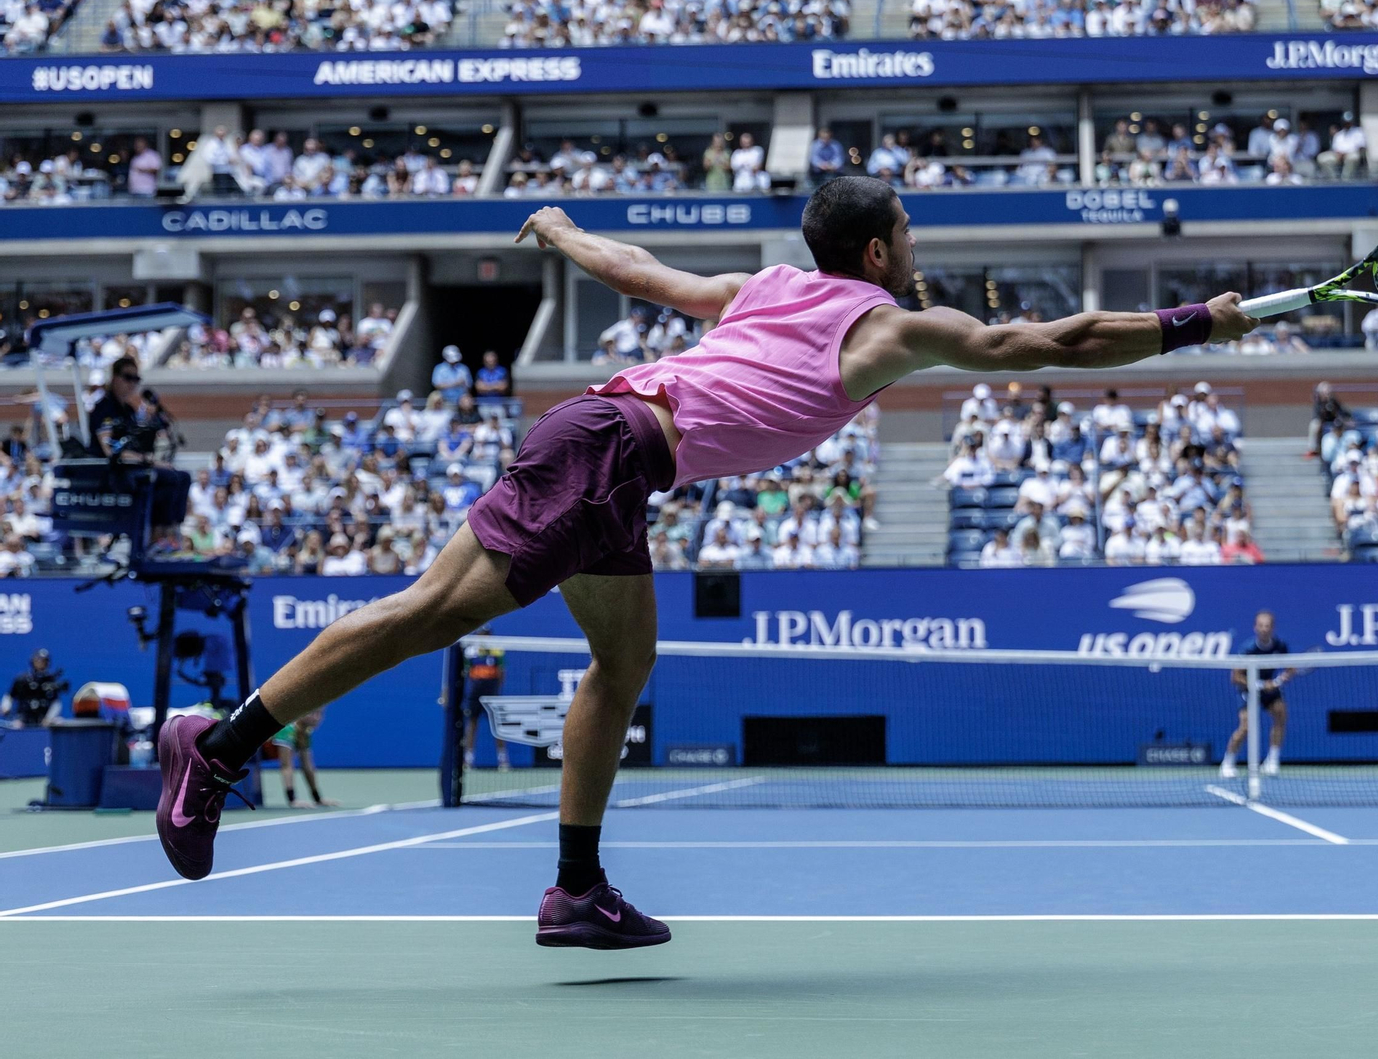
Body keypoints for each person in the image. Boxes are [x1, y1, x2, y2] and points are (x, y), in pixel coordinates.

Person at [152, 178, 1256, 950]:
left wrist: (565, 230)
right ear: (875, 253)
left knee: (623, 662)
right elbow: (1047, 344)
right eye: (908, 233)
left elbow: (641, 273)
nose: (915, 249)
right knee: (429, 614)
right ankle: (221, 742)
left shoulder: (770, 287)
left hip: (616, 453)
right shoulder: (881, 328)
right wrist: (1194, 321)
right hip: (610, 448)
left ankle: (576, 891)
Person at [88, 356, 190, 549]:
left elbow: (136, 446)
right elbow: (112, 451)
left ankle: (170, 534)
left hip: (132, 467)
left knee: (182, 477)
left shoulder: (128, 409)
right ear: (115, 378)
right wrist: (149, 461)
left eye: (136, 379)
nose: (133, 383)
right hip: (113, 474)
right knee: (167, 479)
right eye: (128, 377)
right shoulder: (104, 409)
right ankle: (154, 540)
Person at [1220, 611, 1295, 779]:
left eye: (1267, 626)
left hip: (1270, 690)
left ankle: (1272, 762)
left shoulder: (1280, 646)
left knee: (1281, 714)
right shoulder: (1248, 649)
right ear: (1255, 628)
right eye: (1260, 626)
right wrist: (1259, 685)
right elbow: (1235, 677)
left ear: (1272, 628)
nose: (1263, 629)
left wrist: (1280, 680)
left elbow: (1291, 668)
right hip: (1249, 689)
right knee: (1246, 726)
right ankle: (1228, 762)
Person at [461, 630, 510, 772]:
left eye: (486, 634)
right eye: (481, 634)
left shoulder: (497, 651)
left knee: (497, 727)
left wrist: (495, 691)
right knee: (472, 724)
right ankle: (468, 760)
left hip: (492, 694)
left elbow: (501, 673)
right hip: (475, 694)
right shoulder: (470, 652)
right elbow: (466, 673)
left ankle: (503, 760)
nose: (483, 636)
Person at [271, 708, 337, 808]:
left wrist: (317, 799)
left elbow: (307, 766)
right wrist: (293, 800)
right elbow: (286, 766)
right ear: (300, 712)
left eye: (320, 714)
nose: (316, 718)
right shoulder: (287, 729)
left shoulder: (305, 732)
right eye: (312, 713)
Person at [1, 648, 66, 727]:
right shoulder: (22, 679)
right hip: (23, 718)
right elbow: (10, 695)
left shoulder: (51, 681)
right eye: (38, 660)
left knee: (59, 722)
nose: (40, 663)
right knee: (15, 726)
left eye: (43, 661)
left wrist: (49, 718)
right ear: (32, 661)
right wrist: (6, 707)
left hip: (44, 719)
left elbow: (56, 702)